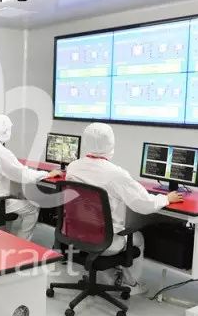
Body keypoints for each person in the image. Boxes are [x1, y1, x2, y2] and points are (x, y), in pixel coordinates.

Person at [65, 123, 183, 295]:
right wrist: (166, 198)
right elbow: (144, 204)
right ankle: (131, 284)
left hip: (76, 234)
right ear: (111, 143)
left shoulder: (73, 167)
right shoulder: (116, 174)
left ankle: (108, 277)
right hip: (104, 241)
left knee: (113, 227)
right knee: (138, 237)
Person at [0, 114, 62, 240]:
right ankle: (21, 243)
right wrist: (47, 174)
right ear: (5, 131)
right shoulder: (2, 152)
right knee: (32, 207)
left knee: (15, 196)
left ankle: (5, 237)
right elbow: (24, 175)